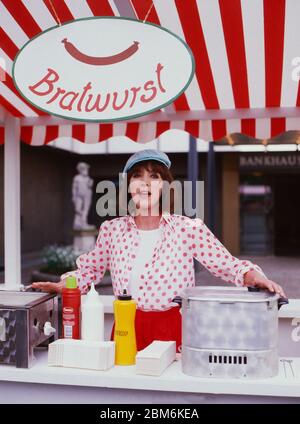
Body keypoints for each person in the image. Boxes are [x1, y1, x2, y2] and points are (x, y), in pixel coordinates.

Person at [32, 149, 286, 352]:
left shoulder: (187, 228)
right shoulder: (112, 229)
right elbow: (90, 271)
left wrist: (256, 278)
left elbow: (228, 265)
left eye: (154, 176)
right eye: (138, 176)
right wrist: (64, 285)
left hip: (175, 326)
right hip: (126, 325)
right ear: (129, 186)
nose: (145, 183)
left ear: (165, 186)